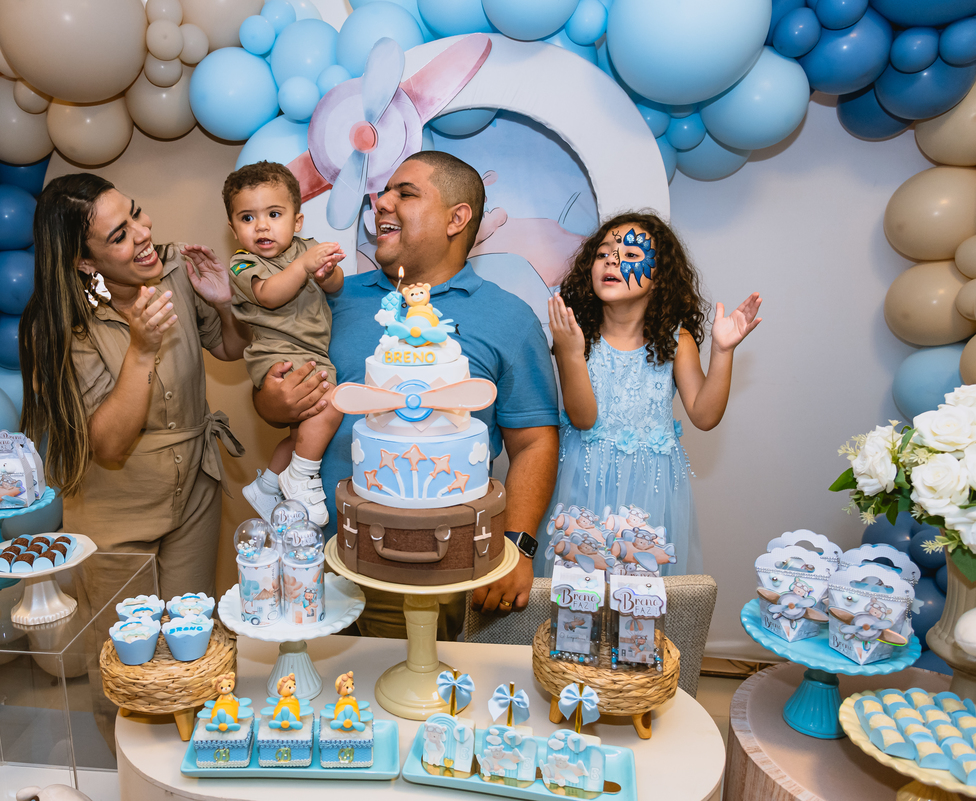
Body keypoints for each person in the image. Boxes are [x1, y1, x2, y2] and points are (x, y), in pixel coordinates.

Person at [253, 151, 560, 637]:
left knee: (409, 700)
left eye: (406, 193)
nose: (382, 203)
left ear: (457, 218)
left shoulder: (509, 318)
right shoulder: (330, 298)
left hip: (432, 568)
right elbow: (279, 394)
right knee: (316, 703)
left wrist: (517, 545)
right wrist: (273, 402)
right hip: (311, 560)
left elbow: (535, 443)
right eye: (383, 192)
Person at [20, 173, 250, 600]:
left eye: (136, 213)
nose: (145, 233)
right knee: (127, 652)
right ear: (85, 262)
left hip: (194, 495)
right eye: (121, 235)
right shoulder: (62, 328)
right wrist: (142, 350)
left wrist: (223, 304)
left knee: (192, 639)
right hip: (116, 512)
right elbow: (108, 445)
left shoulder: (175, 270)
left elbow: (230, 348)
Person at [541, 211, 762, 576]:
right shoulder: (577, 335)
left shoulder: (677, 341)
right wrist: (567, 351)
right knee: (580, 601)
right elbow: (583, 418)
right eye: (603, 253)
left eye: (630, 255)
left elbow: (705, 417)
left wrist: (723, 352)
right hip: (582, 485)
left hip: (649, 493)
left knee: (637, 605)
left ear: (660, 279)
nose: (612, 260)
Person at [222, 162, 346, 526]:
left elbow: (336, 286)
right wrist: (305, 266)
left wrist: (326, 273)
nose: (261, 225)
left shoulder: (305, 249)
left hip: (308, 352)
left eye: (274, 214)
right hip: (277, 354)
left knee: (302, 432)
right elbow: (271, 294)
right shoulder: (243, 265)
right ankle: (303, 476)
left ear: (297, 221)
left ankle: (268, 483)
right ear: (233, 229)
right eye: (247, 218)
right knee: (330, 404)